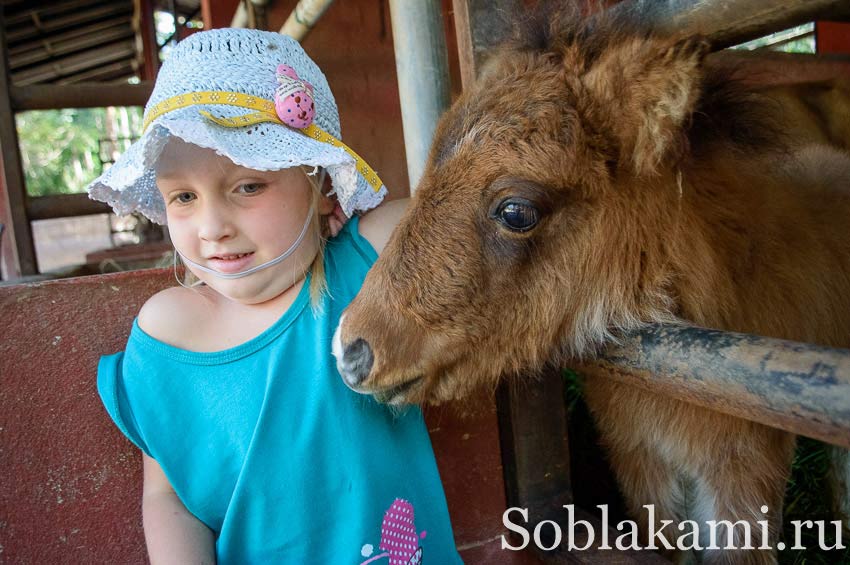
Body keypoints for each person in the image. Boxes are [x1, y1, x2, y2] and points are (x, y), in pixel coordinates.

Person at [88, 28, 461, 564]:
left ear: (322, 188)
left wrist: (346, 206)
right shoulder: (170, 332)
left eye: (249, 186)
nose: (212, 226)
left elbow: (454, 213)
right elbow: (169, 495)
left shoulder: (361, 269)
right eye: (184, 197)